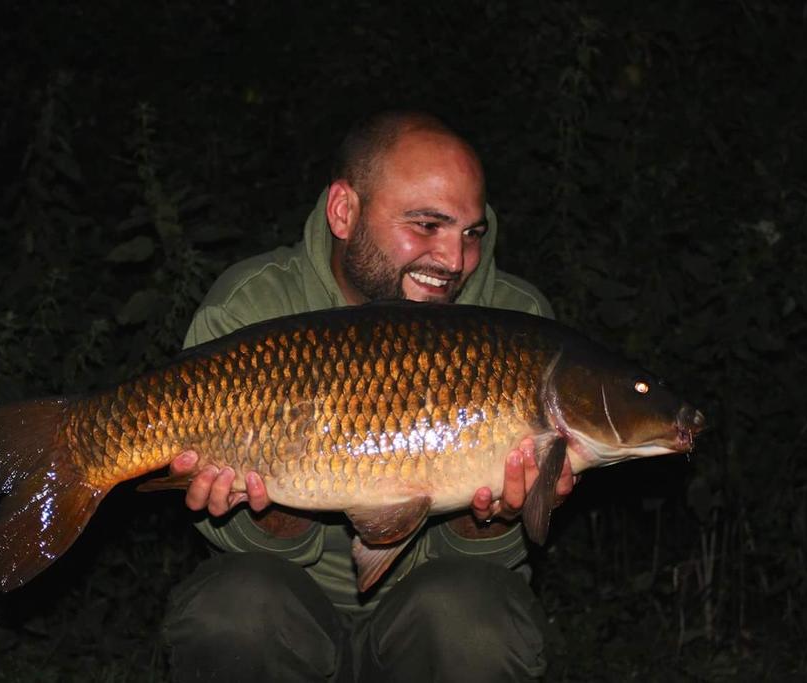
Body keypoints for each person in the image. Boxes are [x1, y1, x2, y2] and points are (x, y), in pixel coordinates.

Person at [161, 111, 576, 682]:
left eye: (471, 233)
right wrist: (270, 506)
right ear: (343, 211)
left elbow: (487, 569)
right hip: (291, 610)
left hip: (426, 618)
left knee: (474, 624)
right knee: (231, 610)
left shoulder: (518, 326)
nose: (454, 261)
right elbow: (237, 547)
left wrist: (496, 517)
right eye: (427, 225)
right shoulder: (252, 308)